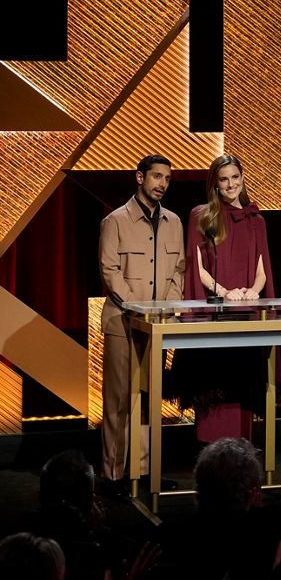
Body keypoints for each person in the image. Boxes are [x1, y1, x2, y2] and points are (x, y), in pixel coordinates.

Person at [98, 154, 185, 492]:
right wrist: (138, 308)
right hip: (123, 323)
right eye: (156, 177)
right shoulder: (115, 221)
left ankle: (145, 470)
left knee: (149, 398)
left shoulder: (174, 223)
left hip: (156, 326)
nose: (162, 183)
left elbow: (179, 270)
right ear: (140, 178)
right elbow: (109, 271)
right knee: (119, 400)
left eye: (167, 178)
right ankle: (113, 476)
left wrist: (166, 308)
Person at [176, 153, 275, 442]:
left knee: (243, 384)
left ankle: (241, 451)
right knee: (214, 384)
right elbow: (198, 268)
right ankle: (211, 450)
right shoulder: (201, 215)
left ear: (242, 178)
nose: (230, 184)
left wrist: (254, 291)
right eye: (223, 179)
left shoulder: (256, 220)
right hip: (215, 313)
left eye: (235, 177)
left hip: (246, 313)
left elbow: (262, 268)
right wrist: (224, 292)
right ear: (215, 184)